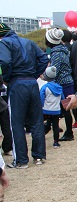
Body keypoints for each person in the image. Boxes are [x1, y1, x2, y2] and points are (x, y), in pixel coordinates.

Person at [0, 23, 48, 168]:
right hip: (32, 83)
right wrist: (33, 74)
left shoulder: (4, 43)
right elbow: (44, 58)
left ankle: (21, 160)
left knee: (17, 123)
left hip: (17, 83)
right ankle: (39, 157)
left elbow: (5, 61)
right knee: (37, 121)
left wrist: (7, 78)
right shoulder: (29, 42)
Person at [45, 28, 75, 142]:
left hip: (62, 84)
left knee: (64, 109)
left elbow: (54, 70)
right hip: (68, 82)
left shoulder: (56, 53)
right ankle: (65, 131)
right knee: (65, 109)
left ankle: (68, 132)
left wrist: (45, 76)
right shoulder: (63, 50)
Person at [40, 66, 64, 149]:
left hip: (46, 110)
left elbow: (41, 98)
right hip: (56, 110)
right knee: (56, 126)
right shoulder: (59, 88)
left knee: (43, 123)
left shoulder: (45, 87)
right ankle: (56, 142)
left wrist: (41, 106)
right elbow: (62, 98)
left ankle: (41, 136)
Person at [0, 66, 12, 156]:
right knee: (6, 127)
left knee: (7, 128)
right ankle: (7, 148)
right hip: (2, 104)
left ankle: (7, 147)